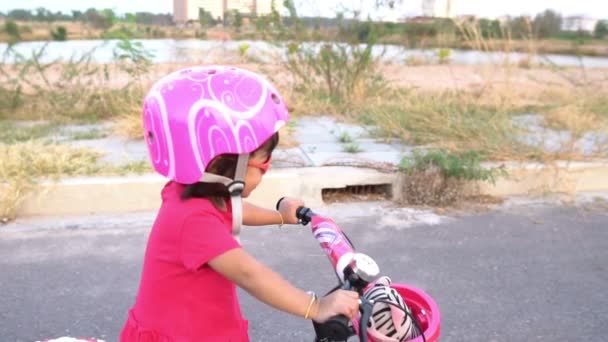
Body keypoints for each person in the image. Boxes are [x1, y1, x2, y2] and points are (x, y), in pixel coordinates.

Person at [120, 65, 360, 341]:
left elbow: (233, 210)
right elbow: (250, 274)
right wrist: (316, 307)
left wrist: (280, 216)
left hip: (203, 326)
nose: (267, 170)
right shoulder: (192, 222)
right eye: (264, 162)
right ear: (227, 164)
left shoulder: (192, 194)